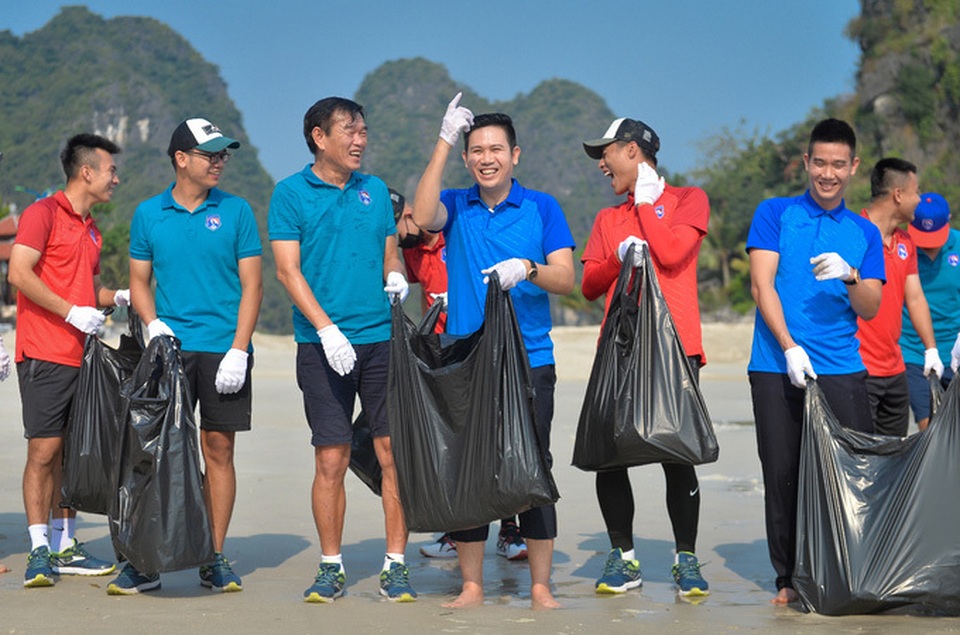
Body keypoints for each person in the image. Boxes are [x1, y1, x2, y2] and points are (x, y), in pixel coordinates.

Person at [412, 94, 575, 609]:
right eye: (476, 150)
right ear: (466, 159)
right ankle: (473, 585)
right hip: (465, 355)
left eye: (496, 149)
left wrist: (526, 268)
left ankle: (542, 585)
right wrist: (443, 139)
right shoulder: (457, 205)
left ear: (515, 154)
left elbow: (566, 277)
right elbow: (420, 214)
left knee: (533, 464)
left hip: (530, 356)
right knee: (468, 466)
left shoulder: (541, 206)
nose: (487, 158)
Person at [269, 97, 415, 604]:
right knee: (330, 458)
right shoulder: (289, 193)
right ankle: (331, 566)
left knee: (393, 453)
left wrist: (395, 276)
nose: (360, 140)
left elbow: (389, 250)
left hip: (381, 342)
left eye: (363, 130)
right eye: (349, 131)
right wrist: (328, 331)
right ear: (318, 137)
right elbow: (288, 271)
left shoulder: (374, 190)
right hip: (320, 345)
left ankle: (396, 564)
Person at [114, 118, 263, 595]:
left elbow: (252, 285)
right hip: (168, 354)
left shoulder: (237, 211)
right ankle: (147, 560)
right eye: (210, 154)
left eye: (223, 154)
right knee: (157, 456)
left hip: (224, 350)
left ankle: (212, 556)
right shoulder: (148, 213)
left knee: (218, 451)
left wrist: (239, 350)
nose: (220, 161)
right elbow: (139, 280)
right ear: (182, 158)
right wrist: (154, 324)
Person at [746, 118, 884, 604]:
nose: (828, 173)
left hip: (842, 368)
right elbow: (762, 284)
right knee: (782, 474)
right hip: (774, 363)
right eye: (820, 162)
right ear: (806, 162)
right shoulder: (774, 213)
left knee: (851, 474)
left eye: (838, 165)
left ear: (854, 167)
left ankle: (846, 569)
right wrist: (788, 347)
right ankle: (787, 579)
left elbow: (870, 306)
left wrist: (851, 276)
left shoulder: (864, 233)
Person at [579, 117, 711, 598]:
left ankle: (686, 558)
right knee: (611, 457)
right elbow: (591, 284)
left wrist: (649, 206)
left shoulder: (688, 199)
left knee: (677, 453)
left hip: (677, 349)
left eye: (606, 153)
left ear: (632, 151)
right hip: (619, 349)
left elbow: (673, 252)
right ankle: (623, 556)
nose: (601, 164)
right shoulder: (607, 219)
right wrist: (617, 256)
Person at [8, 133, 128, 588]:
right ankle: (39, 550)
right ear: (87, 172)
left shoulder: (92, 227)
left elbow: (85, 289)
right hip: (43, 351)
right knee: (44, 450)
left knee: (75, 453)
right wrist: (70, 312)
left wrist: (115, 295)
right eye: (111, 170)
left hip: (85, 357)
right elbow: (19, 273)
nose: (116, 178)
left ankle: (65, 544)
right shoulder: (42, 214)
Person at [390, 187, 528, 562]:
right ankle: (455, 533)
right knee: (456, 439)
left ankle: (510, 530)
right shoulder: (413, 251)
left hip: (478, 342)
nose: (408, 227)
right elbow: (423, 297)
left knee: (498, 438)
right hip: (445, 349)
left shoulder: (456, 230)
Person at [856, 159, 941, 436]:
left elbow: (914, 298)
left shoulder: (906, 241)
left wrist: (931, 349)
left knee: (894, 459)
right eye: (915, 192)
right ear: (898, 194)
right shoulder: (852, 232)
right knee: (861, 461)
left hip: (895, 370)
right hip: (858, 369)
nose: (918, 199)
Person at [900, 192, 960, 430]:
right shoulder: (901, 248)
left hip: (954, 350)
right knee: (930, 428)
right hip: (914, 352)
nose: (928, 245)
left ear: (949, 219)